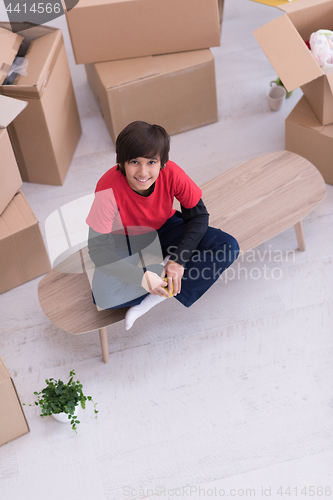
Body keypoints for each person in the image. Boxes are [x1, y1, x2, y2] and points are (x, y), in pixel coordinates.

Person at [86, 121, 239, 330]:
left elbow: (198, 216)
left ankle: (152, 298)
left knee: (227, 247)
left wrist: (178, 260)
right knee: (103, 297)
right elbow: (98, 249)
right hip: (127, 240)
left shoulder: (173, 173)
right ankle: (157, 276)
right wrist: (140, 277)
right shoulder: (107, 188)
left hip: (165, 227)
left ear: (162, 163)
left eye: (151, 162)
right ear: (121, 163)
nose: (142, 172)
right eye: (134, 162)